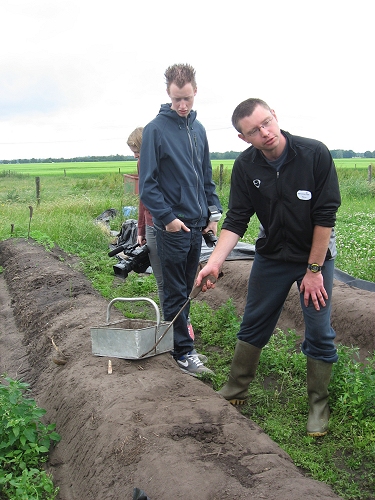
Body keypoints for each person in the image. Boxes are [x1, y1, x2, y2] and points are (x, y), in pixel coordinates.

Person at [196, 98, 341, 436]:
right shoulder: (246, 167)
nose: (265, 133)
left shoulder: (314, 155)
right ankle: (236, 389)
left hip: (315, 257)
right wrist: (214, 263)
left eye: (266, 123)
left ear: (274, 116)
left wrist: (314, 271)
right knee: (255, 320)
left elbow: (325, 217)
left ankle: (319, 404)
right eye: (254, 131)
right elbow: (236, 219)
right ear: (243, 138)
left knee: (319, 330)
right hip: (272, 255)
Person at [139, 63, 222, 376]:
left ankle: (180, 342)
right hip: (173, 228)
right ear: (167, 94)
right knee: (175, 292)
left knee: (186, 290)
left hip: (197, 227)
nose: (183, 105)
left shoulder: (198, 129)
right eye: (177, 100)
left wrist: (213, 214)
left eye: (187, 98)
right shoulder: (156, 130)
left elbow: (206, 176)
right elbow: (148, 184)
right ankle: (183, 353)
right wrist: (169, 219)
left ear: (195, 91)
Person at [127, 127, 164, 311]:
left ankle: (177, 322)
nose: (135, 156)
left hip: (164, 224)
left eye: (137, 151)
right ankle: (171, 321)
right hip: (151, 224)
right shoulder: (142, 162)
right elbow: (144, 197)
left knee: (166, 279)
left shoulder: (156, 160)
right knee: (162, 278)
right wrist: (140, 229)